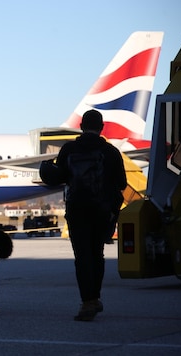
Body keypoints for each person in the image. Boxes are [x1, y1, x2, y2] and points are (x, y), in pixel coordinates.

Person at [55, 109, 127, 321]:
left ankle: (87, 302)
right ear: (101, 127)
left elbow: (59, 177)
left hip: (77, 210)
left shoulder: (69, 149)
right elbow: (121, 183)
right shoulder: (111, 152)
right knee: (97, 255)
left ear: (81, 126)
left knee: (82, 257)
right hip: (101, 211)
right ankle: (94, 298)